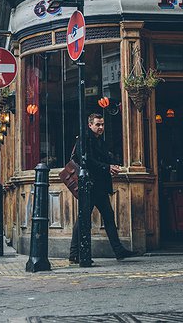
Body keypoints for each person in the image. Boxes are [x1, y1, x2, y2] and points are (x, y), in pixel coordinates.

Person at [69, 113, 137, 263]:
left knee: (107, 217)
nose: (101, 127)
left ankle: (118, 251)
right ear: (90, 125)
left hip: (98, 186)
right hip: (89, 185)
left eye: (102, 124)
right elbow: (87, 161)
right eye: (97, 124)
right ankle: (74, 253)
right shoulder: (85, 139)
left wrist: (114, 164)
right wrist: (107, 167)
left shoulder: (101, 141)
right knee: (83, 218)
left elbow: (104, 158)